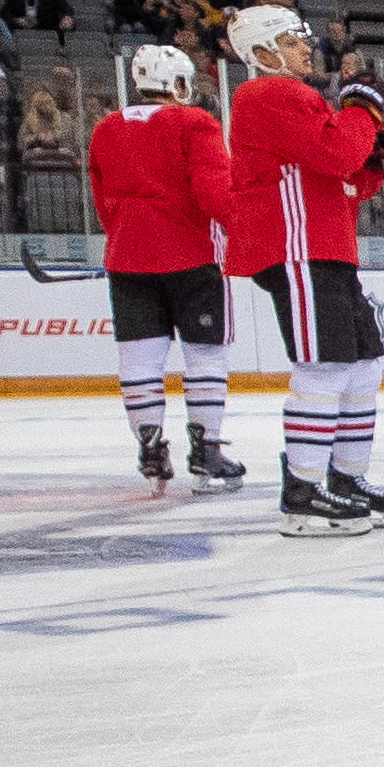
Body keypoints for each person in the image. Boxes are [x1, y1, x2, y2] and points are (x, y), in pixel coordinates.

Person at [222, 4, 384, 536]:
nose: (307, 48)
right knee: (323, 368)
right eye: (292, 40)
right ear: (262, 52)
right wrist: (363, 116)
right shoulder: (271, 93)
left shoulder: (296, 98)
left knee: (362, 366)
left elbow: (343, 181)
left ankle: (345, 478)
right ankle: (302, 490)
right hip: (298, 249)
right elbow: (336, 154)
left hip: (327, 247)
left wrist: (371, 158)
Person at [84, 41, 247, 492]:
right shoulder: (195, 121)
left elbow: (103, 200)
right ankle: (207, 450)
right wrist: (247, 230)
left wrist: (126, 233)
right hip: (192, 255)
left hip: (127, 257)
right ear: (175, 84)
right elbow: (214, 192)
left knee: (138, 358)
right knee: (206, 353)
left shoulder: (106, 128)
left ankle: (151, 448)